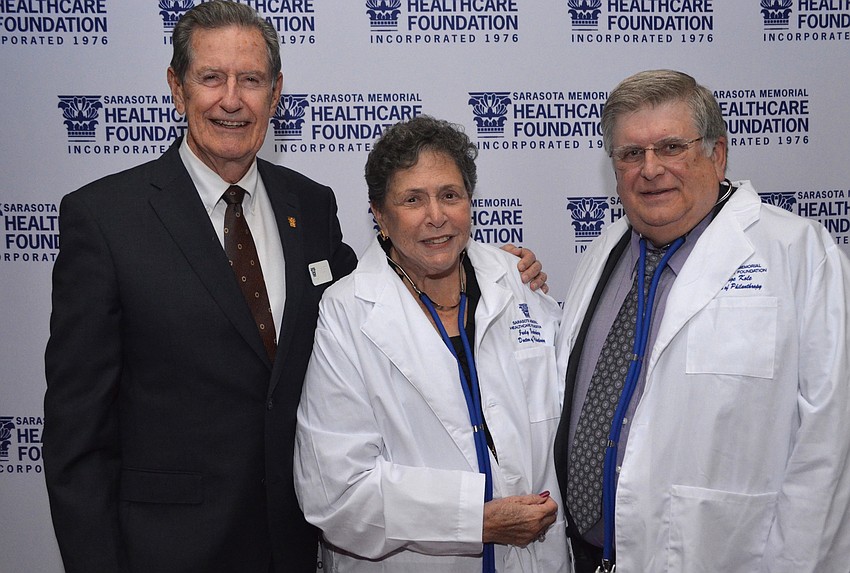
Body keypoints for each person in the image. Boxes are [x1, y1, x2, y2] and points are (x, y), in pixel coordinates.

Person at [42, 3, 546, 572]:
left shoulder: (309, 205)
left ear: (276, 92)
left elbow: (385, 287)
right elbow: (75, 438)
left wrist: (486, 267)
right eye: (211, 78)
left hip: (296, 543)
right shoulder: (107, 219)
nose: (231, 99)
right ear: (177, 89)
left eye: (251, 80)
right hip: (168, 549)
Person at [553, 69, 850, 572]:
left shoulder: (800, 255)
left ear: (717, 154)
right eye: (630, 154)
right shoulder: (603, 253)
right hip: (587, 558)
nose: (650, 170)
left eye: (671, 147)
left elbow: (831, 445)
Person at [294, 115, 568, 572]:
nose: (436, 216)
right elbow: (335, 492)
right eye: (412, 199)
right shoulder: (347, 311)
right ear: (379, 215)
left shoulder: (518, 287)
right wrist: (473, 520)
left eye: (450, 195)